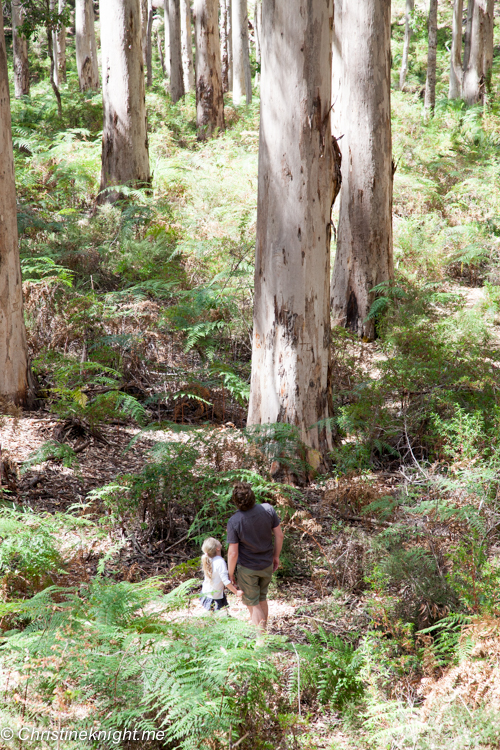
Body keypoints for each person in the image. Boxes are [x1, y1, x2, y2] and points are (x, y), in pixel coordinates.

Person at [227, 482, 284, 630]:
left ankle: (261, 642)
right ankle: (264, 637)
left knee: (253, 603)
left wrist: (230, 572)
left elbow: (233, 552)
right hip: (266, 564)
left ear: (235, 501)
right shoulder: (268, 509)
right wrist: (276, 556)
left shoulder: (234, 521)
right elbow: (279, 535)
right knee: (262, 599)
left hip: (247, 568)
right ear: (253, 496)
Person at [200, 537, 243, 611]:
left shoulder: (209, 559)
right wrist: (236, 592)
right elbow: (226, 582)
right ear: (217, 548)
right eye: (217, 541)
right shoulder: (220, 562)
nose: (218, 540)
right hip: (214, 598)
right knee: (220, 619)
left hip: (207, 594)